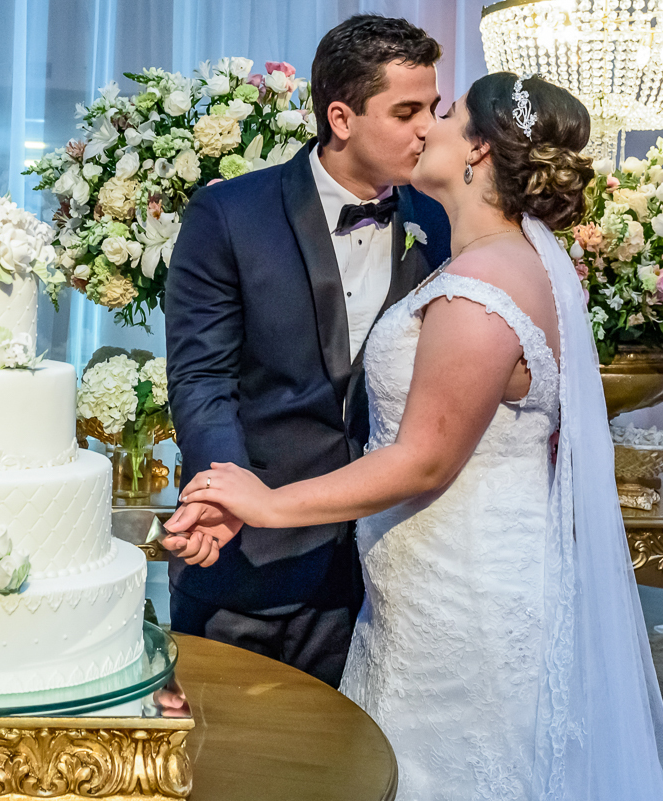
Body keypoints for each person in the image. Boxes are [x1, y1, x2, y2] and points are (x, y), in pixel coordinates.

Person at [166, 72, 663, 800]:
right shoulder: (504, 265)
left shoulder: (480, 286)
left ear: (476, 152)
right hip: (432, 586)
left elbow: (426, 458)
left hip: (462, 601)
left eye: (445, 113)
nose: (426, 126)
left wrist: (268, 502)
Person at [162, 14, 451, 687]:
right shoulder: (230, 214)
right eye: (406, 110)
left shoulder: (440, 220)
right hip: (250, 560)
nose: (427, 128)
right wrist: (229, 492)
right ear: (342, 118)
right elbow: (202, 378)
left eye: (433, 109)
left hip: (387, 565)